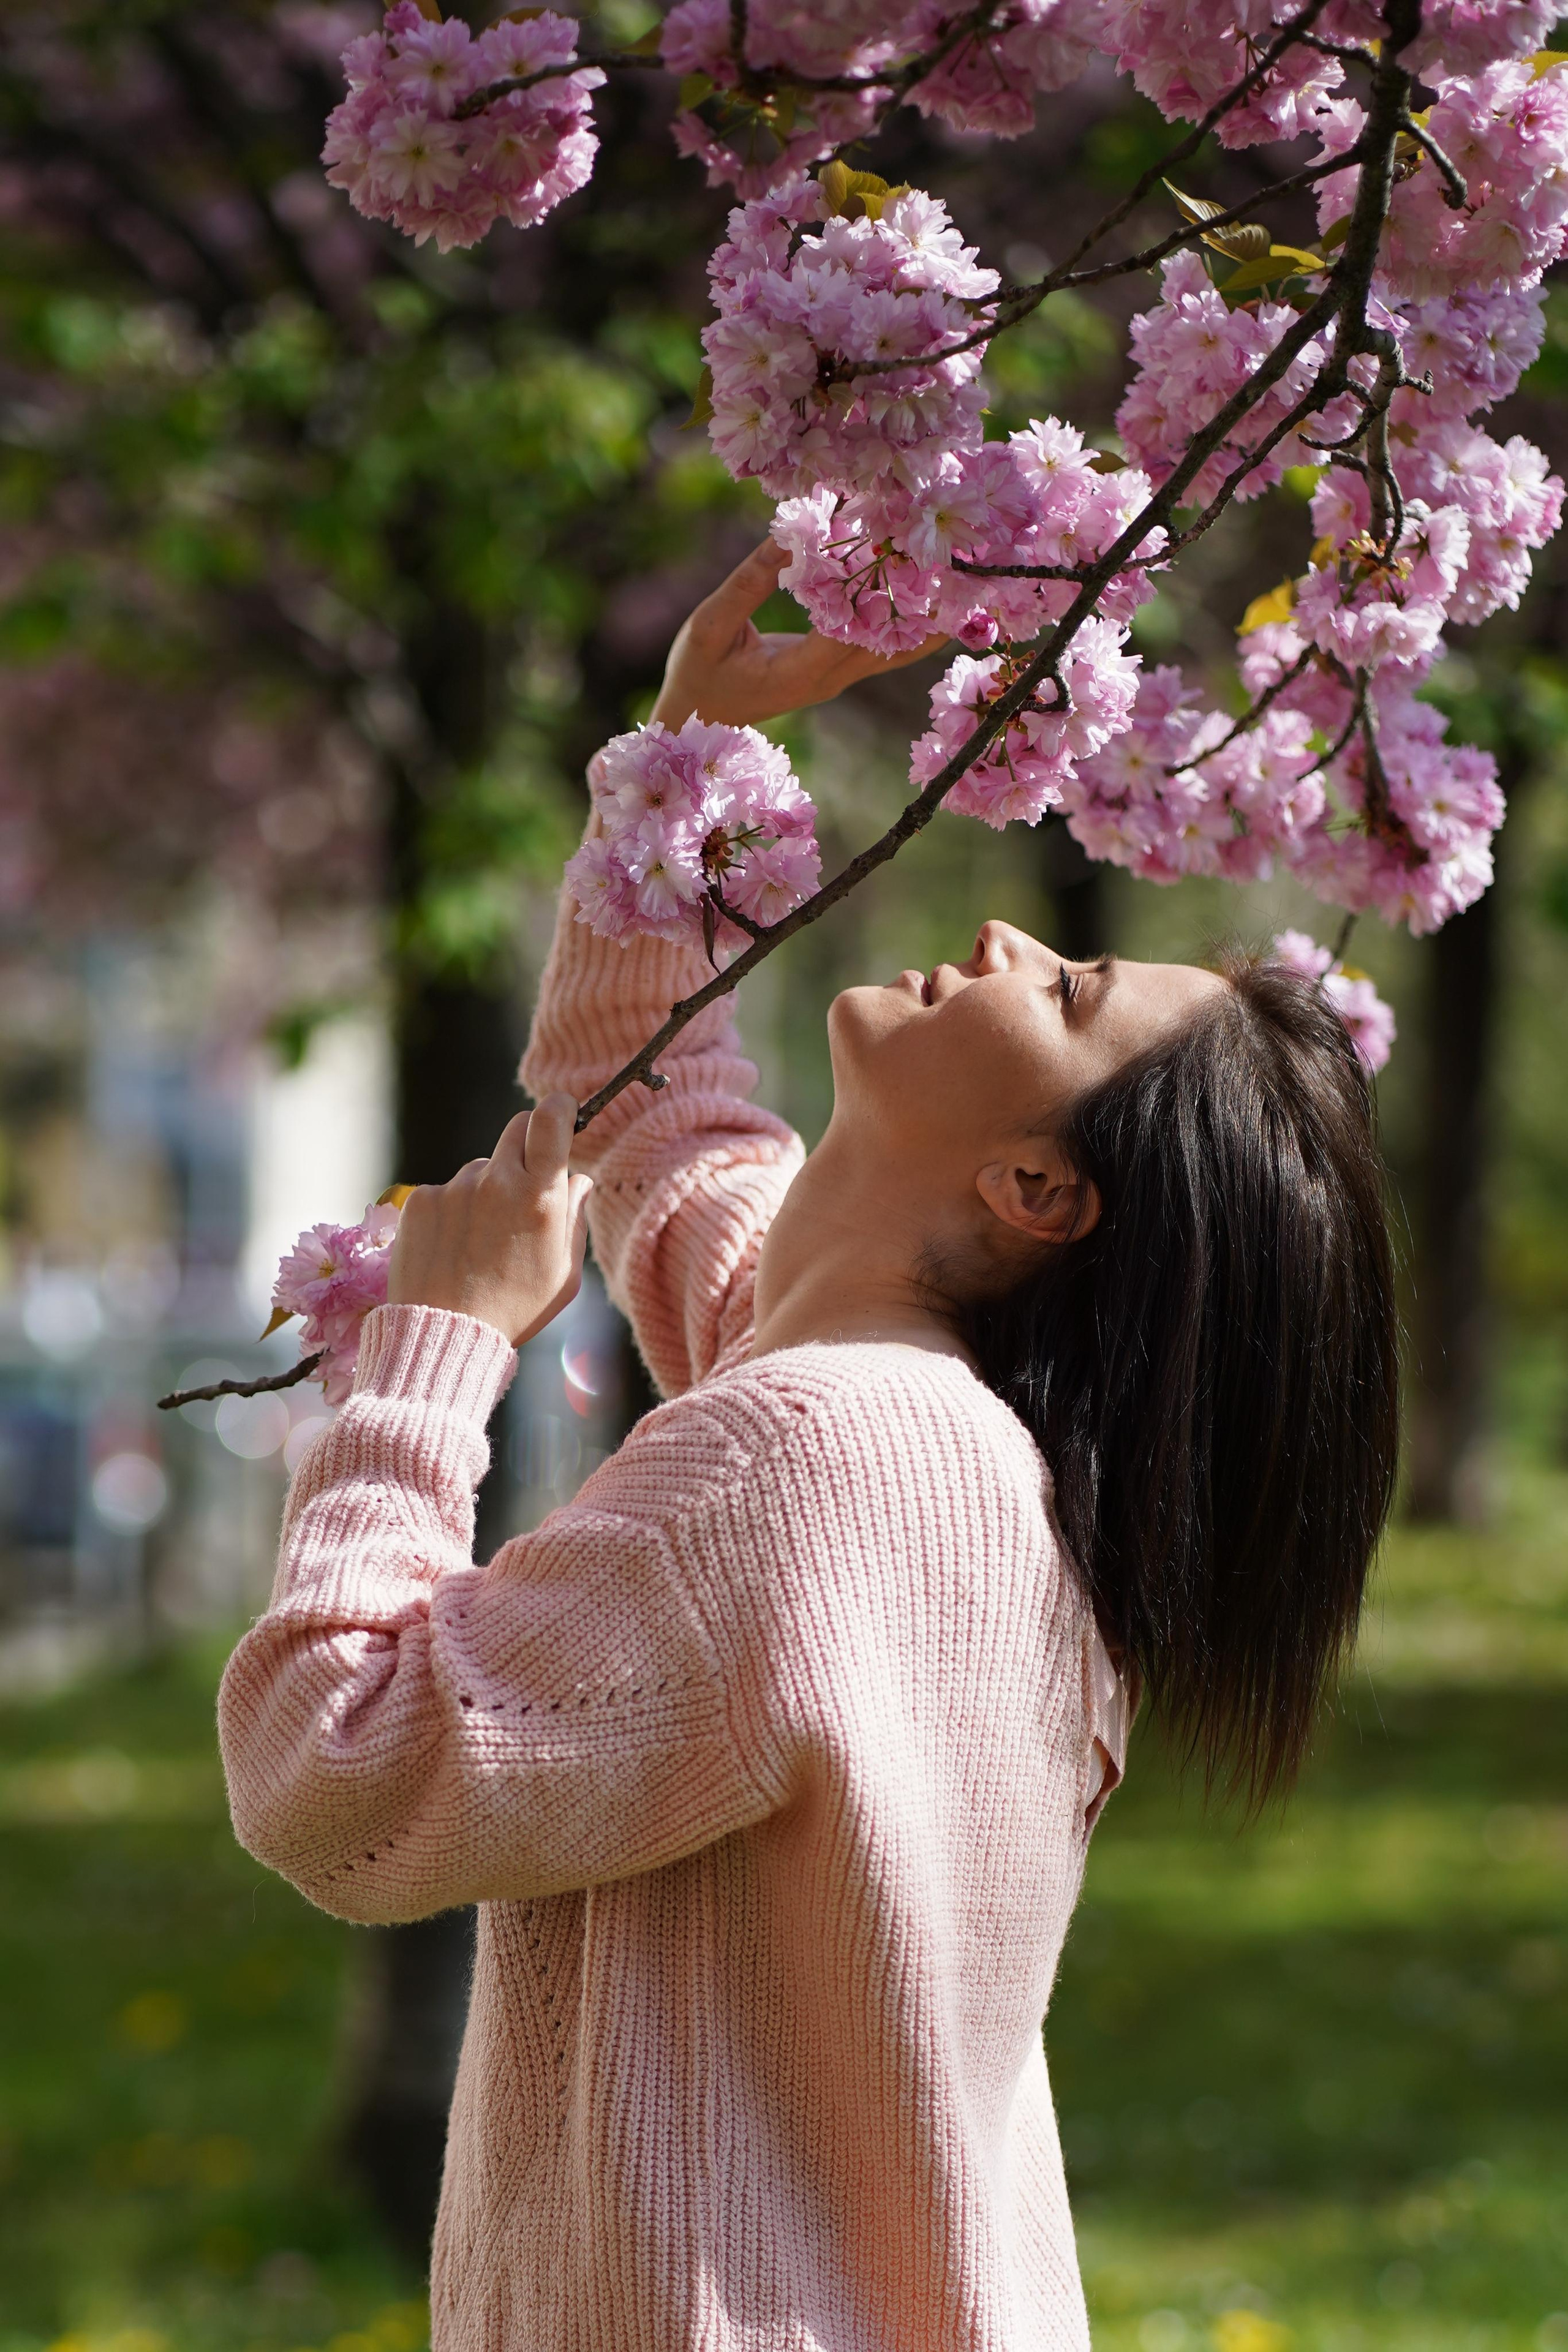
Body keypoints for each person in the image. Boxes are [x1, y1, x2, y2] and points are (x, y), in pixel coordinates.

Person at [219, 543, 1399, 2351]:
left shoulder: (816, 1459)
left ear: (1036, 1188)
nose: (1005, 940)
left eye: (1067, 991)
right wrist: (684, 765)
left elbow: (336, 1774)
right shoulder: (887, 1418)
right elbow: (657, 1117)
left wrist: (426, 1364)